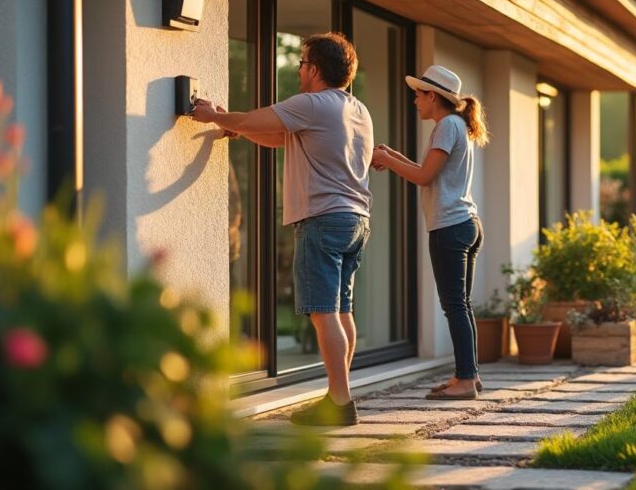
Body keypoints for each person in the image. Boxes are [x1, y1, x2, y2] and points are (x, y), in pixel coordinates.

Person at [192, 32, 372, 425]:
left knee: (324, 313)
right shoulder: (356, 109)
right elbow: (276, 136)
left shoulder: (311, 103)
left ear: (316, 69)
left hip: (322, 219)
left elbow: (256, 118)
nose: (299, 70)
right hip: (355, 220)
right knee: (341, 311)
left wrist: (215, 115)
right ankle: (339, 395)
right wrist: (237, 127)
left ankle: (339, 404)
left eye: (302, 63)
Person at [372, 65, 487, 400]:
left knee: (455, 306)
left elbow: (423, 177)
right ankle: (470, 375)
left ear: (433, 96)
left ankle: (465, 380)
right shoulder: (454, 125)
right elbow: (430, 172)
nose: (415, 101)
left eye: (418, 95)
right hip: (465, 223)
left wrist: (386, 160)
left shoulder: (446, 127)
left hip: (450, 227)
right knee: (461, 305)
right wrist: (390, 155)